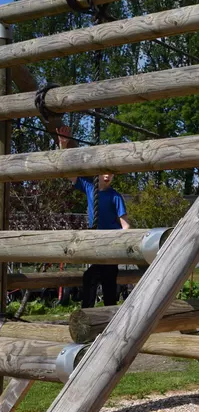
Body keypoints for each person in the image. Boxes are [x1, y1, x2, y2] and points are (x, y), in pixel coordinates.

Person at [57, 126, 130, 308]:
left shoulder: (115, 196)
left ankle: (106, 316)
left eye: (110, 173)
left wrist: (123, 243)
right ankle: (89, 314)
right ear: (96, 172)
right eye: (104, 172)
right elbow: (69, 173)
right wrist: (62, 145)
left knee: (106, 284)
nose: (107, 176)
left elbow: (125, 224)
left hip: (110, 245)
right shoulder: (90, 188)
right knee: (91, 278)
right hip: (96, 243)